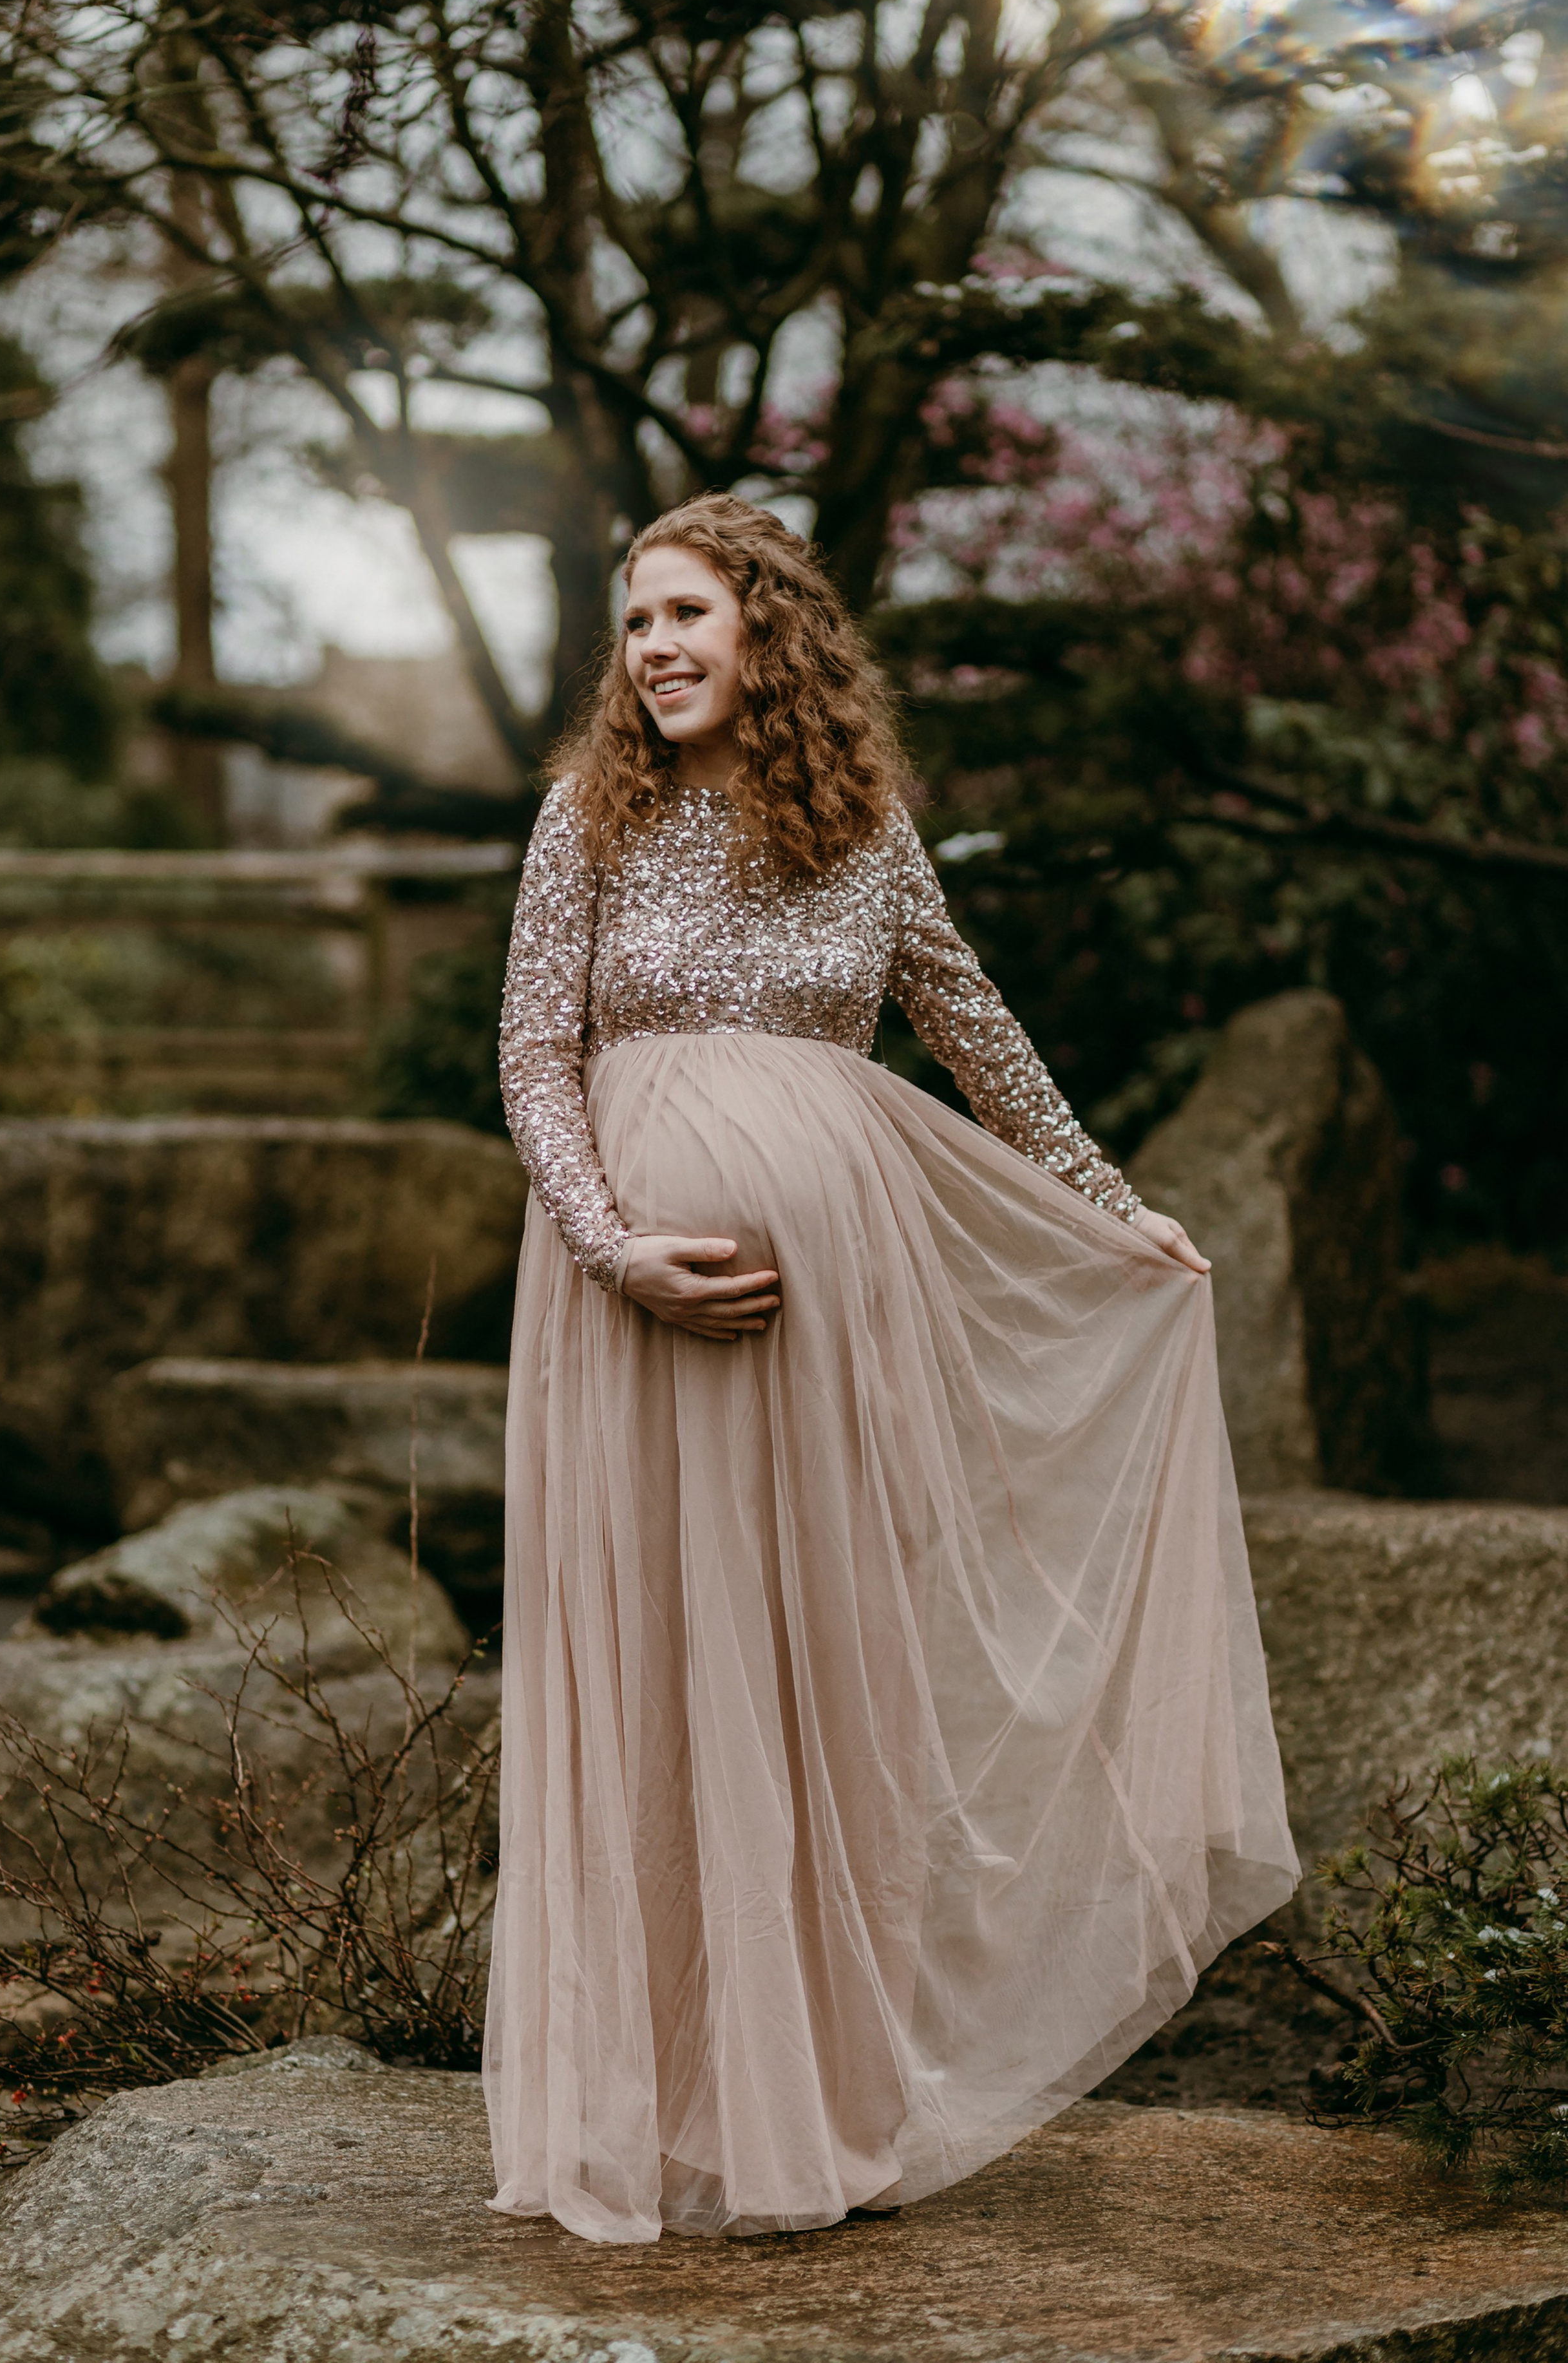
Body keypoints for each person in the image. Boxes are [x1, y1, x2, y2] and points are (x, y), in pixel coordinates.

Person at [487, 494, 1298, 2246]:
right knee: (652, 1671)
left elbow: (975, 1029)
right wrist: (615, 1243)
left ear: (772, 630)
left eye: (690, 613)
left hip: (829, 1323)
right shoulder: (589, 821)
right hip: (627, 1307)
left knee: (825, 1670)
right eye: (636, 624)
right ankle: (649, 2109)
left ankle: (821, 2114)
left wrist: (1114, 1203)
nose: (658, 649)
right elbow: (532, 1055)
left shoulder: (861, 829)